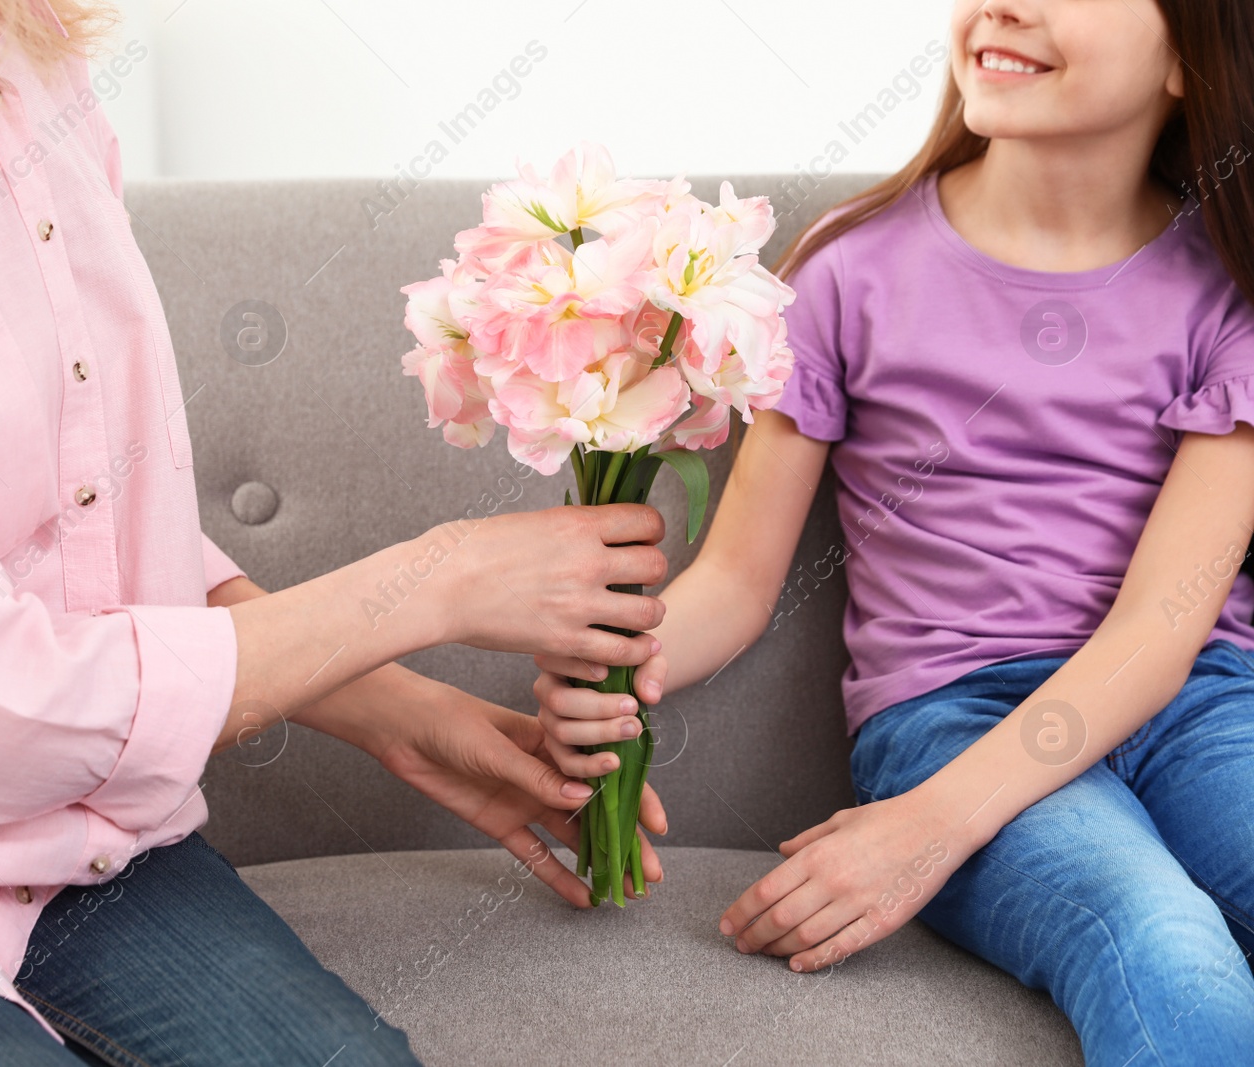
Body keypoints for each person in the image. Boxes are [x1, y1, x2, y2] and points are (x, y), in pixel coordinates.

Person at [0, 0, 670, 1063]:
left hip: (62, 845)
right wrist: (430, 581)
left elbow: (71, 531)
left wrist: (389, 709)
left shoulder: (19, 53)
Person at [535, 1, 1254, 1063]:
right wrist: (612, 671)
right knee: (1162, 942)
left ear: (1193, 57)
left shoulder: (1228, 289)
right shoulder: (843, 271)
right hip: (951, 714)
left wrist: (927, 829)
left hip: (1192, 698)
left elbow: (1158, 627)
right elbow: (734, 580)